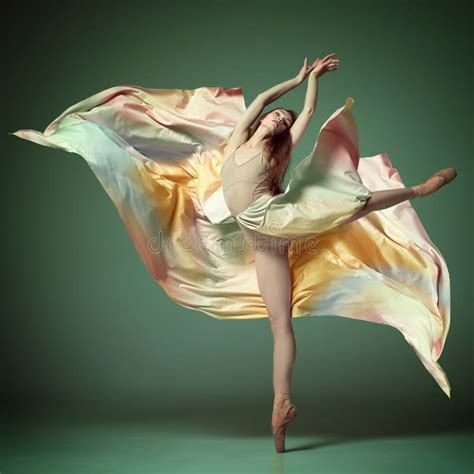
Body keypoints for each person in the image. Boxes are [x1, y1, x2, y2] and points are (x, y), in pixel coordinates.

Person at [9, 54, 457, 454]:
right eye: (276, 116)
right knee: (279, 326)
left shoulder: (279, 153)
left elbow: (310, 114)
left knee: (341, 204)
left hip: (275, 217)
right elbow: (261, 98)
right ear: (260, 120)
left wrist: (313, 86)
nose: (279, 119)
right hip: (265, 242)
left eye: (283, 121)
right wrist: (296, 78)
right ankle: (281, 409)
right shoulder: (240, 138)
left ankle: (417, 189)